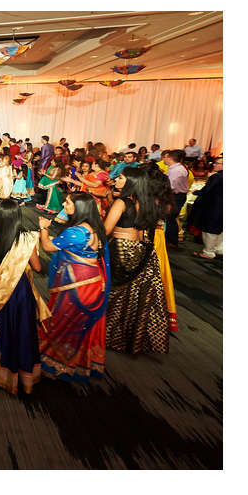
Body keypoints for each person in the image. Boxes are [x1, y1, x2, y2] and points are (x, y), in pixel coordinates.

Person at [0, 200, 48, 394]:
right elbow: (38, 267)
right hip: (19, 289)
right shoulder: (27, 238)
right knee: (20, 327)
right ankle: (22, 374)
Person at [37, 193, 109, 380]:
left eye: (68, 202)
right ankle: (81, 362)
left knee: (64, 321)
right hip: (92, 282)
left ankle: (59, 362)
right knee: (81, 323)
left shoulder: (75, 232)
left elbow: (48, 247)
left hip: (76, 285)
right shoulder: (94, 227)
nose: (63, 203)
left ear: (79, 208)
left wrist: (43, 229)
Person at [103, 167, 169, 354]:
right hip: (142, 250)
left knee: (114, 294)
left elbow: (106, 230)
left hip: (122, 249)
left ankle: (108, 335)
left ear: (131, 181)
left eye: (121, 177)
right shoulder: (148, 201)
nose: (116, 180)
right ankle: (126, 340)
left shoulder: (122, 202)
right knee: (132, 297)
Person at [191, 157, 223, 260]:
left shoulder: (217, 177)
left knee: (209, 229)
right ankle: (219, 249)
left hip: (214, 206)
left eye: (217, 163)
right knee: (221, 229)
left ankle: (208, 252)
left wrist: (195, 192)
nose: (214, 165)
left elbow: (207, 190)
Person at [163, 150, 189, 248]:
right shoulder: (175, 168)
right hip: (176, 195)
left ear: (169, 157)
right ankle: (171, 240)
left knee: (170, 218)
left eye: (165, 157)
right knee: (170, 218)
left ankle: (171, 241)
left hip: (176, 196)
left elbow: (170, 186)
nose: (163, 159)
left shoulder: (176, 170)